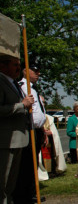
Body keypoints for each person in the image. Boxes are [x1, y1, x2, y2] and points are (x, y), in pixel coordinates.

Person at [0, 55, 34, 204]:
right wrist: (22, 105)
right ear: (3, 66)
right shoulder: (1, 82)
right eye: (15, 65)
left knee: (10, 184)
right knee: (3, 181)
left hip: (19, 139)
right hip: (6, 140)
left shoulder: (14, 84)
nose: (18, 68)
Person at [16, 59, 47, 203]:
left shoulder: (33, 88)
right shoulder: (23, 87)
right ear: (25, 71)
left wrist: (43, 129)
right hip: (29, 129)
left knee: (33, 163)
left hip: (37, 129)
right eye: (35, 71)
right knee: (28, 163)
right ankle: (27, 194)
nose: (38, 74)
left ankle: (31, 191)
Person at [37, 96, 67, 181]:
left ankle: (51, 171)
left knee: (50, 157)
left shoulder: (48, 118)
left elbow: (54, 133)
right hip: (39, 142)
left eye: (44, 102)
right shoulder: (32, 115)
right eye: (40, 102)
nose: (42, 104)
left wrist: (51, 133)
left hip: (49, 143)